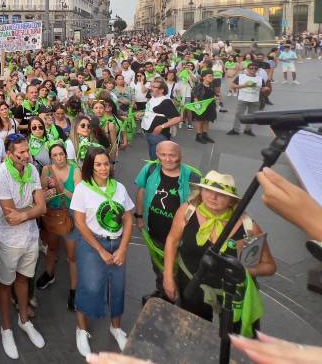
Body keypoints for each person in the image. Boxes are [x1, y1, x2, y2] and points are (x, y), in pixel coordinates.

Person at [162, 171, 276, 335]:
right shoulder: (187, 212)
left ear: (231, 200)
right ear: (201, 191)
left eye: (221, 194)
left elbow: (270, 266)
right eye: (208, 190)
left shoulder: (248, 227)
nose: (213, 197)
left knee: (232, 337)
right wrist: (167, 277)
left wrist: (245, 270)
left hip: (231, 293)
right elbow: (172, 241)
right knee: (192, 331)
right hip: (191, 284)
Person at [71, 147, 134, 357]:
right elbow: (79, 223)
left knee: (118, 287)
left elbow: (128, 219)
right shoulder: (83, 189)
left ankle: (116, 328)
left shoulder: (119, 188)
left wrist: (123, 248)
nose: (103, 168)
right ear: (90, 166)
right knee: (88, 287)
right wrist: (100, 250)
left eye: (106, 163)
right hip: (92, 244)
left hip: (117, 244)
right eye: (98, 164)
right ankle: (81, 329)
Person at [0, 134, 46, 359]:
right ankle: (6, 328)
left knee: (23, 280)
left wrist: (24, 214)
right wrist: (31, 210)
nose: (26, 155)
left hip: (31, 237)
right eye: (21, 152)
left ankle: (24, 321)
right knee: (5, 285)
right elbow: (10, 217)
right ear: (9, 155)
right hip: (8, 240)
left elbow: (42, 208)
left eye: (27, 150)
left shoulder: (32, 170)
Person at [133, 141, 201, 304]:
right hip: (155, 234)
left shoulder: (193, 177)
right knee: (159, 267)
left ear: (180, 156)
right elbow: (141, 191)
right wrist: (139, 217)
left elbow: (202, 205)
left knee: (180, 273)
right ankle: (162, 292)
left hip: (180, 239)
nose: (167, 159)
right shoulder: (150, 169)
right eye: (163, 155)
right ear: (157, 155)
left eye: (172, 155)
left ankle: (180, 302)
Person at [38, 143, 81, 310]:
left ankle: (74, 290)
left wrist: (61, 188)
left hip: (69, 215)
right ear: (51, 158)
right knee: (52, 248)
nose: (59, 158)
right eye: (55, 155)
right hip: (52, 214)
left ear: (66, 154)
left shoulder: (75, 170)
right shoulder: (46, 170)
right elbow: (42, 196)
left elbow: (79, 198)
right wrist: (48, 191)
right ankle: (49, 273)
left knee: (72, 255)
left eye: (61, 154)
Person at [140, 79, 181, 160]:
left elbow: (178, 118)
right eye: (151, 86)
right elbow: (152, 111)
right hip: (149, 133)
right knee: (153, 157)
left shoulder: (165, 101)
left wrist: (161, 127)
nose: (150, 88)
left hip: (159, 136)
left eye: (153, 87)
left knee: (157, 160)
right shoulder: (153, 98)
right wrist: (142, 114)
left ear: (161, 90)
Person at [227, 62, 266, 137]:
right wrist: (245, 85)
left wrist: (265, 89)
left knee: (252, 115)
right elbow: (232, 86)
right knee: (239, 114)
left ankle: (248, 129)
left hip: (255, 99)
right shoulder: (241, 76)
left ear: (257, 70)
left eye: (255, 68)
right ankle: (235, 129)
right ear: (247, 69)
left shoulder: (260, 79)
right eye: (251, 68)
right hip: (242, 98)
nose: (253, 70)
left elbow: (263, 89)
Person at [190, 71, 217, 144]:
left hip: (210, 106)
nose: (212, 77)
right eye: (209, 76)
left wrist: (215, 97)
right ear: (204, 77)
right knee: (200, 120)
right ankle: (198, 136)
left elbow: (213, 94)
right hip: (201, 106)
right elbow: (195, 97)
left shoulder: (212, 85)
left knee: (207, 120)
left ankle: (205, 134)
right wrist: (198, 106)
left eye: (212, 76)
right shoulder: (199, 86)